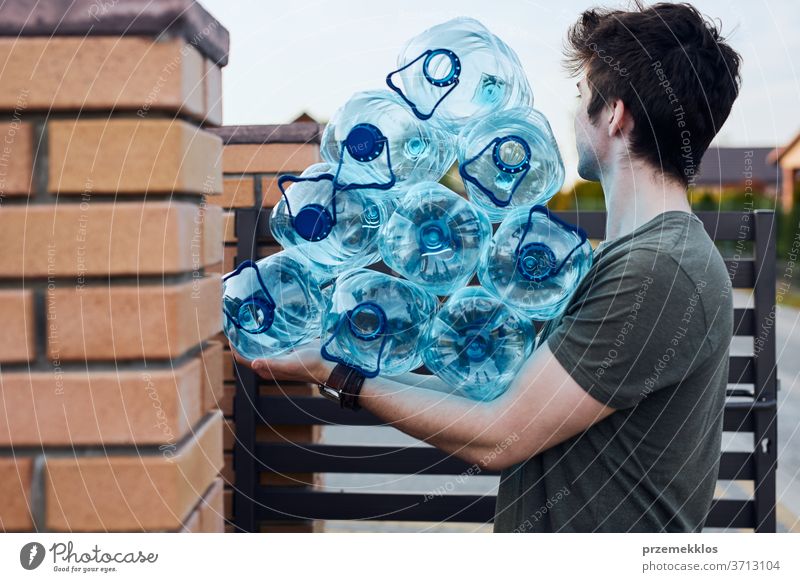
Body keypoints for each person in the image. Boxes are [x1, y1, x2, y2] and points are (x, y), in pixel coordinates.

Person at [234, 1, 741, 532]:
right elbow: (498, 395)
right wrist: (339, 362)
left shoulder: (660, 271)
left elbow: (499, 433)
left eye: (580, 95)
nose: (573, 114)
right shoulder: (634, 260)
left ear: (614, 114)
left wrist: (333, 373)